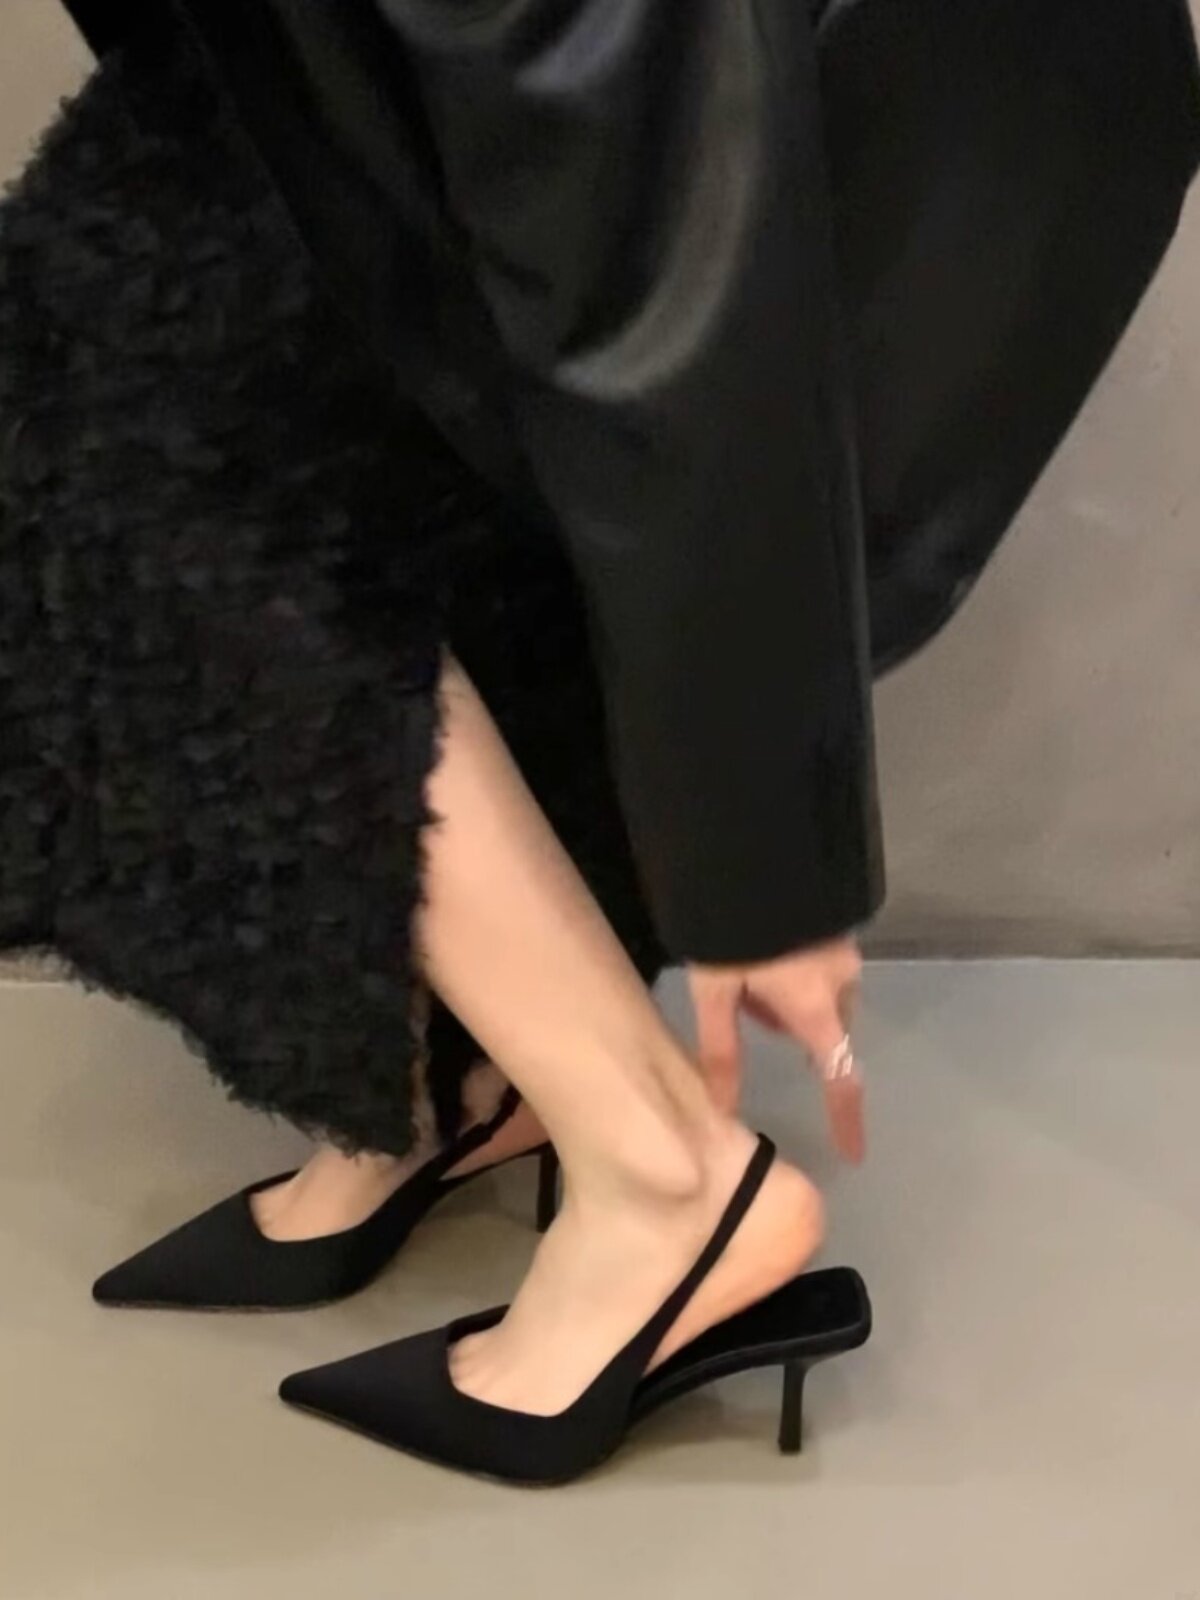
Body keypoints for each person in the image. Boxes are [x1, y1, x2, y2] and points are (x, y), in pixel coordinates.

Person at [3, 0, 1196, 1482]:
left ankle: (665, 1181)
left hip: (833, 102)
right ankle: (456, 1077)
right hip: (468, 88)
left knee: (128, 453)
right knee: (143, 345)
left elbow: (660, 255)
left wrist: (763, 859)